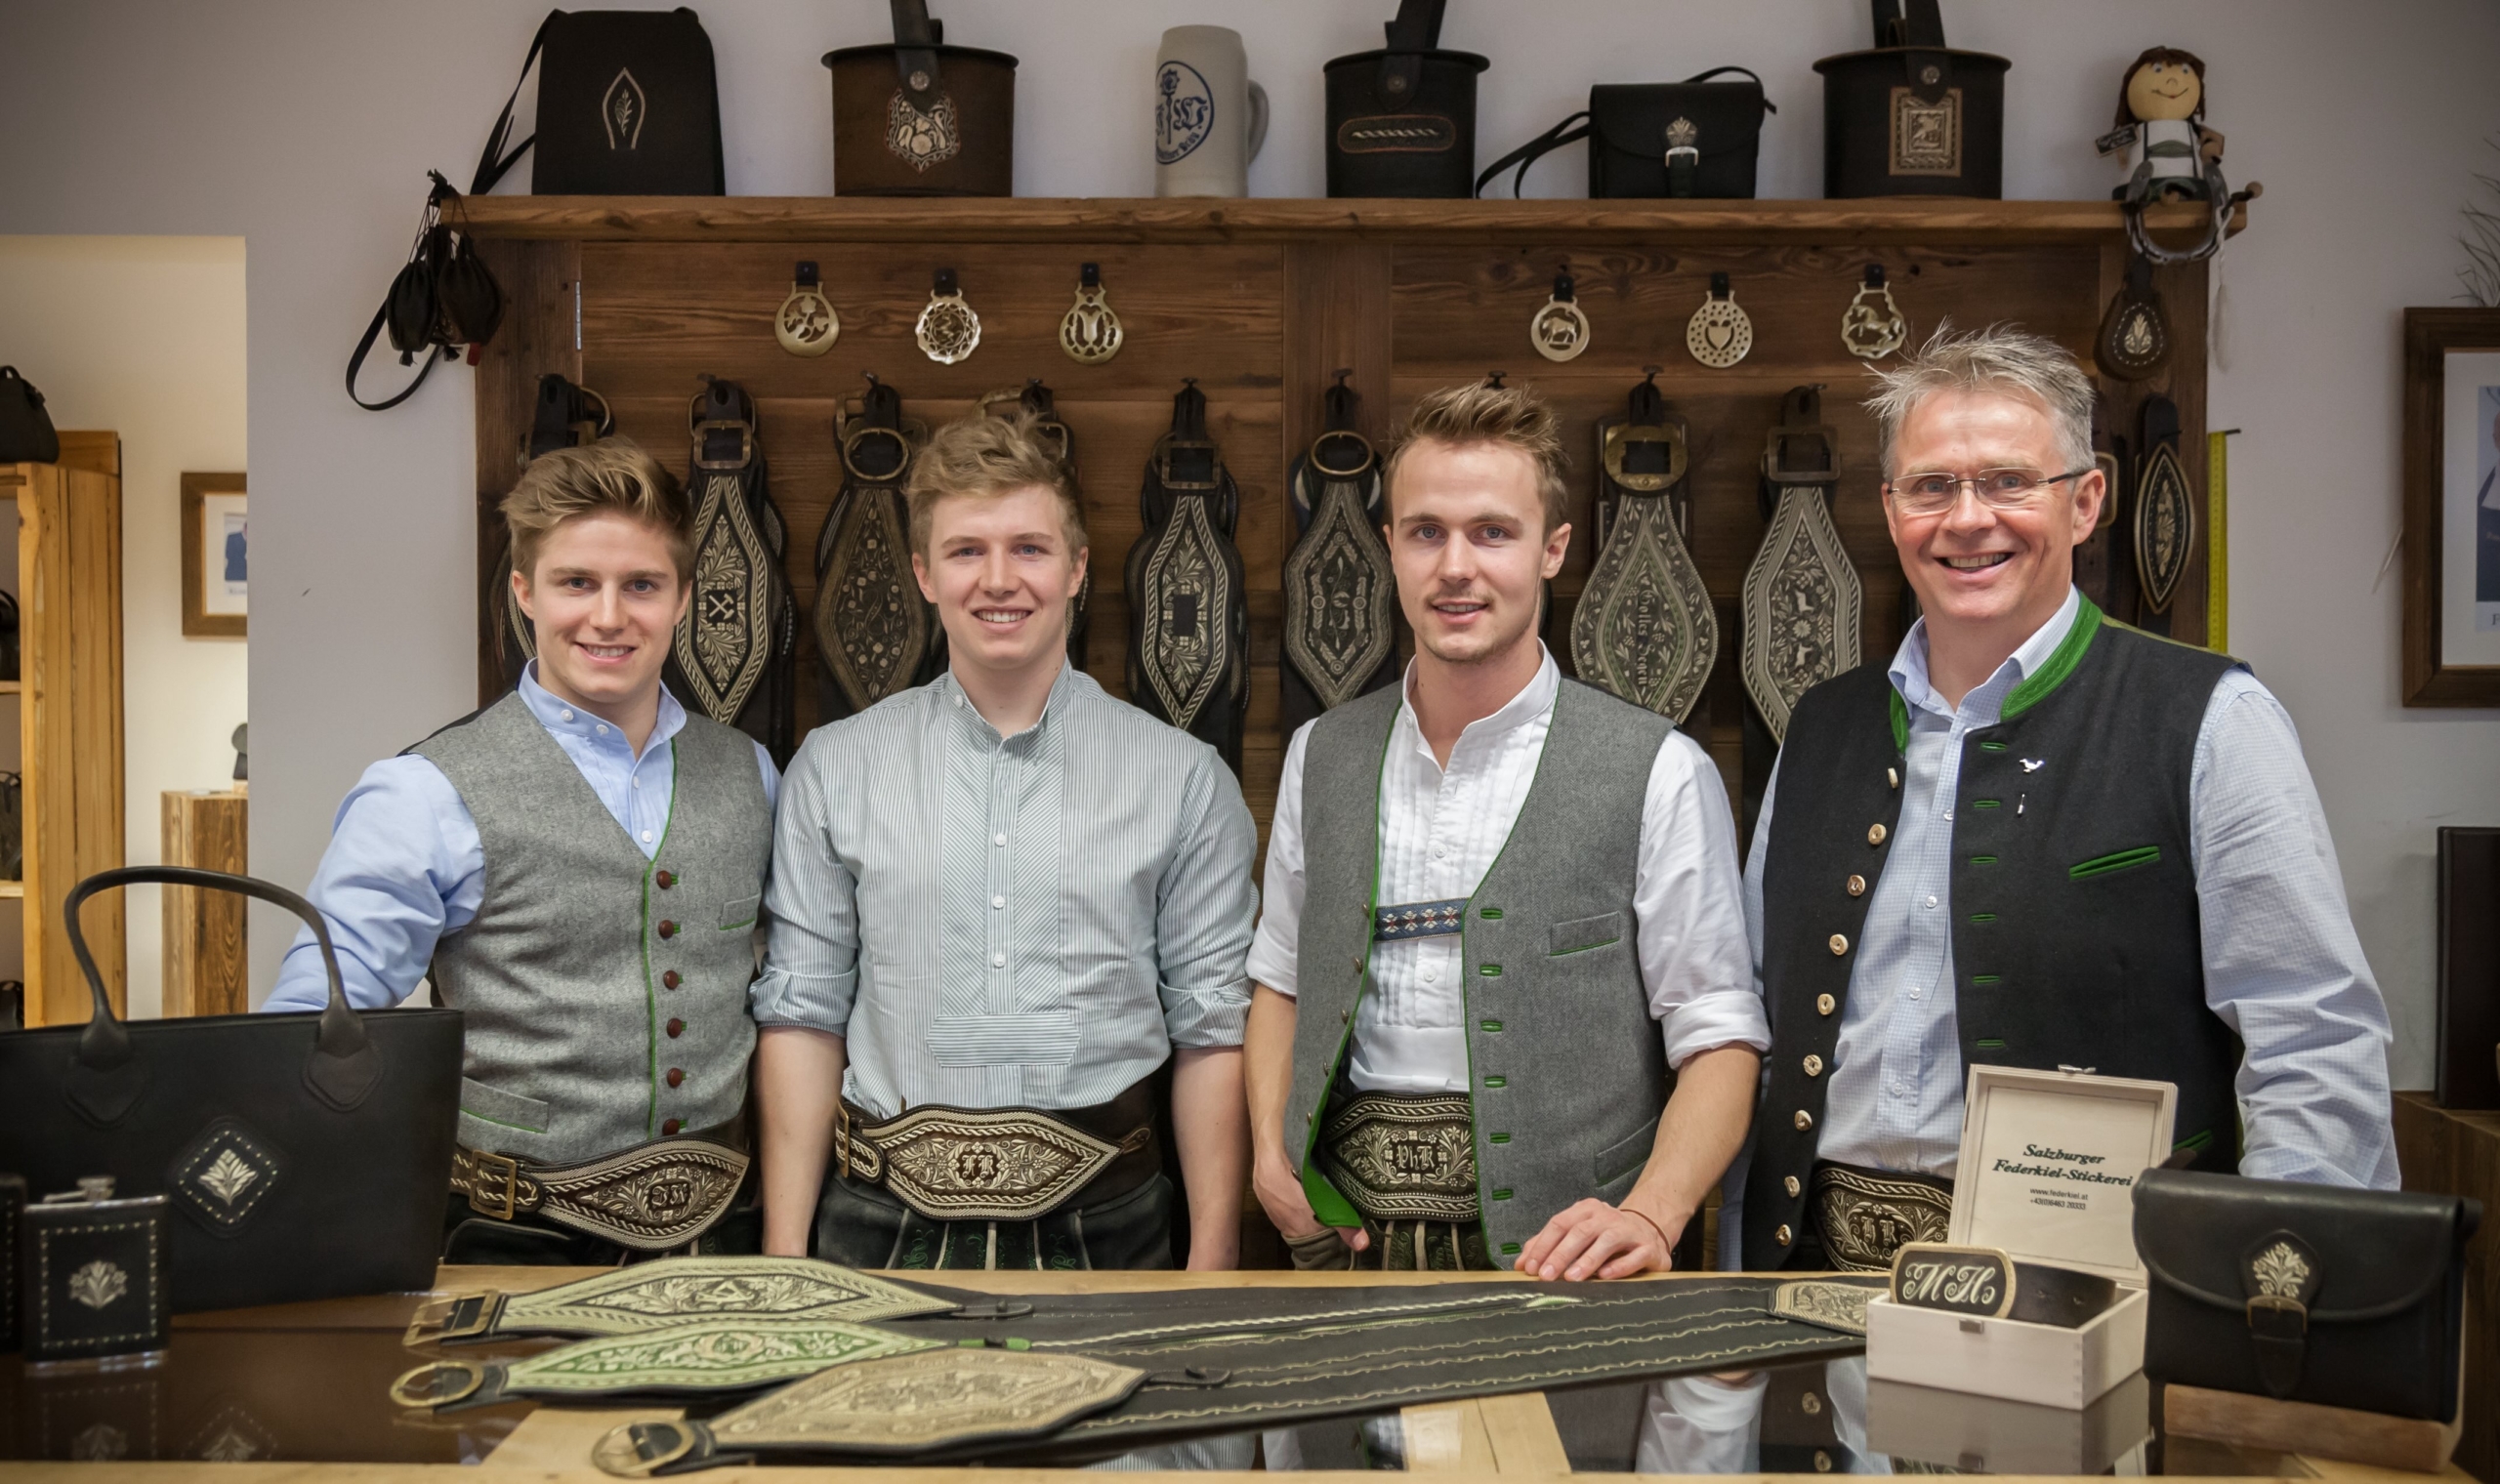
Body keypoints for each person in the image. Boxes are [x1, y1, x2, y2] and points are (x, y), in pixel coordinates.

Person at [1734, 325, 2397, 1275]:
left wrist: (2276, 1292)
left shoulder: (2211, 718)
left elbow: (2312, 1038)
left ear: (2085, 501)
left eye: (2007, 481)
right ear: (1889, 509)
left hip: (2104, 1298)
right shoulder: (1821, 727)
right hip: (1813, 1290)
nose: (1966, 519)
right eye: (1931, 485)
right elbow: (1759, 1026)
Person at [1244, 381, 1768, 1278]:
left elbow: (1719, 1035)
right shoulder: (1318, 754)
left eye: (1493, 532)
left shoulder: (1659, 770)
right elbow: (1281, 982)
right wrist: (1268, 1156)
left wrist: (1652, 1213)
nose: (1456, 567)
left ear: (1553, 549)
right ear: (1390, 550)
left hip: (1568, 1273)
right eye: (1426, 532)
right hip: (1342, 1256)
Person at [753, 412, 1257, 1271]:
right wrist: (785, 1253)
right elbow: (803, 1015)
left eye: (1029, 548)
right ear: (922, 573)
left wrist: (1211, 1264)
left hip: (1112, 1222)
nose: (999, 580)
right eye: (965, 551)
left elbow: (1212, 1029)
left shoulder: (1184, 777)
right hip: (877, 1223)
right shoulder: (834, 767)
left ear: (1076, 569)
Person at [265, 440, 778, 1263]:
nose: (608, 617)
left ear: (683, 598)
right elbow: (311, 1032)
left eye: (640, 585)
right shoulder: (423, 791)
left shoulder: (750, 772)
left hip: (721, 1240)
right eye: (577, 582)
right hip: (506, 1240)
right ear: (523, 592)